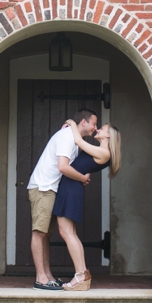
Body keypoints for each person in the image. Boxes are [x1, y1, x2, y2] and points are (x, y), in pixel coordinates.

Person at [26, 108, 99, 291]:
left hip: (51, 189)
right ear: (84, 122)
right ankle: (40, 279)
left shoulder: (73, 139)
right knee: (39, 233)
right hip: (43, 187)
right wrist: (82, 178)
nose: (95, 128)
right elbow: (63, 167)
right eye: (94, 123)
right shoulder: (67, 137)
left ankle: (48, 276)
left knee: (46, 234)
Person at [52, 119, 122, 291]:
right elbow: (86, 161)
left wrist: (73, 125)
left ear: (108, 135)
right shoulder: (101, 152)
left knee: (66, 232)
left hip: (71, 189)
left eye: (102, 128)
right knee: (70, 232)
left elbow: (78, 141)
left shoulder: (104, 152)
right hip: (71, 187)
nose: (98, 129)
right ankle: (83, 274)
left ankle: (81, 275)